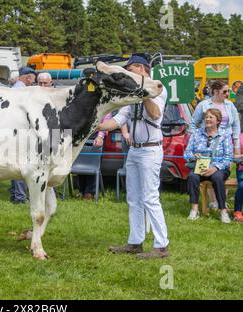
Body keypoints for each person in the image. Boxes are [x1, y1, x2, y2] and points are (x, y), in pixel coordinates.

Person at [97, 55, 170, 259]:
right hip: (135, 150)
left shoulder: (157, 88)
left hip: (150, 150)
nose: (127, 74)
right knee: (134, 198)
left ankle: (161, 245)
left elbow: (155, 114)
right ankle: (135, 242)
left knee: (149, 197)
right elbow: (121, 118)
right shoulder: (133, 95)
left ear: (141, 68)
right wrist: (99, 126)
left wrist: (145, 93)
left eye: (130, 70)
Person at [190, 80, 241, 209]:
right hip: (207, 143)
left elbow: (236, 126)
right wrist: (197, 138)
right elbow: (193, 124)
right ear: (216, 91)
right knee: (208, 170)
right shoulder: (203, 105)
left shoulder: (230, 105)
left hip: (225, 142)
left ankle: (221, 199)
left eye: (228, 91)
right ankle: (213, 202)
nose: (227, 94)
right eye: (225, 91)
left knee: (223, 171)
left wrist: (236, 147)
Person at [184, 109, 233, 223]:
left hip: (219, 168)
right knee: (192, 177)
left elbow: (228, 157)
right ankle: (194, 210)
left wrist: (215, 168)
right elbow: (187, 153)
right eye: (206, 117)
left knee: (217, 178)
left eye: (211, 117)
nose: (207, 119)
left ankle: (223, 211)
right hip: (200, 166)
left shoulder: (224, 135)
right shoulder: (197, 133)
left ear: (218, 121)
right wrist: (193, 156)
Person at [9, 67, 37, 204]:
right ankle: (20, 197)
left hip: (11, 131)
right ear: (28, 78)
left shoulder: (13, 89)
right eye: (33, 80)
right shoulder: (23, 91)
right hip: (20, 131)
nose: (33, 83)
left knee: (15, 163)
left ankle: (15, 194)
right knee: (21, 164)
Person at [77, 113, 112, 200]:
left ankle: (90, 192)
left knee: (92, 165)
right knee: (79, 164)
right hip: (82, 136)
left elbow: (106, 119)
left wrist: (100, 136)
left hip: (96, 137)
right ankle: (82, 190)